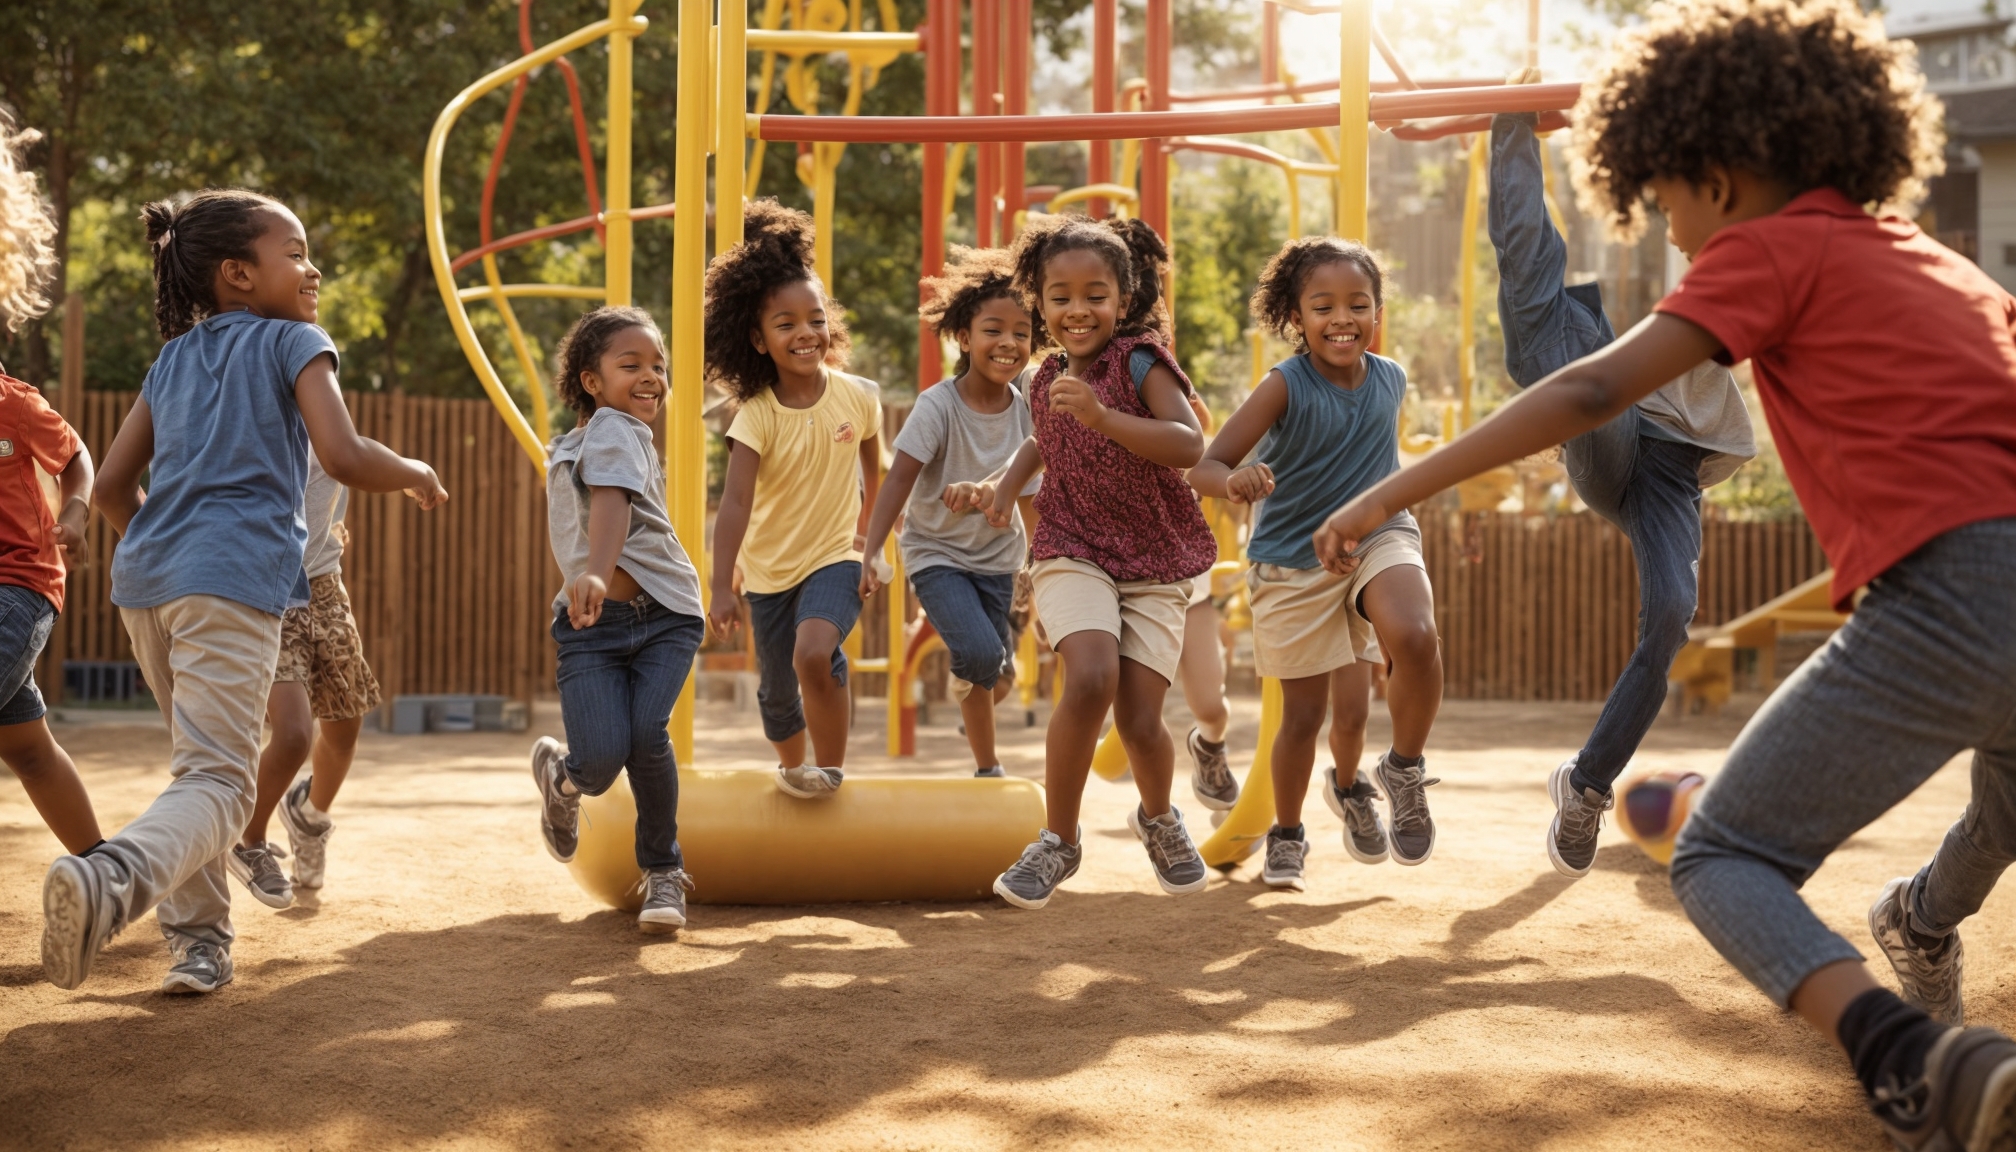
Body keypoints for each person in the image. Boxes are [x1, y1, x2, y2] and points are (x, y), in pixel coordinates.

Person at [1312, 0, 2016, 1143]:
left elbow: (1591, 390)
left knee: (1725, 855)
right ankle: (1924, 922)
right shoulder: (1941, 266)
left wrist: (1391, 489)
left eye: (1667, 197)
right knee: (2001, 809)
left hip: (1948, 590)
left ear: (1723, 174)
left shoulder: (1770, 247)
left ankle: (1911, 1054)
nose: (1670, 231)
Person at [45, 189, 446, 995]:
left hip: (148, 583)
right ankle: (112, 879)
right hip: (231, 584)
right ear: (237, 274)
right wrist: (413, 472)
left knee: (198, 770)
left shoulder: (174, 359)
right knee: (223, 784)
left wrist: (172, 543)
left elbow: (116, 486)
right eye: (294, 252)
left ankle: (199, 941)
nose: (313, 266)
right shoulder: (295, 341)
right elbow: (341, 453)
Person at [1488, 81, 1756, 881]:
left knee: (1673, 614)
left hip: (1669, 465)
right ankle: (1511, 124)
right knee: (1544, 298)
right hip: (1601, 401)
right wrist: (1514, 119)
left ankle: (1587, 782)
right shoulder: (1706, 257)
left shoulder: (1767, 267)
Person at [1190, 237, 1442, 893]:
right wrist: (1235, 480)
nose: (1342, 318)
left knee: (1407, 645)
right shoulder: (1283, 385)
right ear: (1296, 316)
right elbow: (1206, 466)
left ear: (1377, 311)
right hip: (1293, 563)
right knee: (1304, 719)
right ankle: (1289, 834)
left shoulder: (1391, 378)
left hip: (1374, 541)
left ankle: (1396, 772)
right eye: (1322, 305)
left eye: (1358, 304)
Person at [986, 215, 1216, 910]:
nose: (1077, 310)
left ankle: (1159, 817)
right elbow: (1043, 436)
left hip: (1154, 559)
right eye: (1060, 296)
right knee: (1089, 677)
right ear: (1039, 300)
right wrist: (1005, 482)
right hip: (1072, 546)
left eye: (1095, 294)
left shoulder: (1140, 361)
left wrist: (1104, 418)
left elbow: (1189, 445)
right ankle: (1058, 840)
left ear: (1123, 298)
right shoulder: (1046, 375)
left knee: (1141, 721)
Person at [530, 306, 707, 933]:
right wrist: (597, 575)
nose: (652, 375)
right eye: (630, 364)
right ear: (590, 381)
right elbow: (603, 502)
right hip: (594, 629)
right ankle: (565, 776)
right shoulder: (600, 433)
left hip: (664, 615)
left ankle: (663, 871)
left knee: (645, 736)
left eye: (658, 365)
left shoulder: (617, 431)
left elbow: (615, 501)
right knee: (601, 763)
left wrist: (600, 572)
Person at [703, 200, 881, 799]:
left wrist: (870, 540)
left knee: (814, 653)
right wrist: (721, 584)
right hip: (770, 573)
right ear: (758, 339)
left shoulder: (859, 397)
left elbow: (875, 469)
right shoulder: (755, 416)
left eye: (816, 317)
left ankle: (830, 773)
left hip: (836, 557)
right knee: (778, 692)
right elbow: (734, 505)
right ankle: (794, 768)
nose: (805, 332)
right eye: (786, 324)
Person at [859, 246, 1034, 778]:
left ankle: (985, 767)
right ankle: (988, 754)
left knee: (996, 674)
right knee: (981, 659)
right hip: (937, 554)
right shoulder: (939, 405)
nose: (1008, 343)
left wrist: (1038, 561)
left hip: (999, 558)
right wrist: (871, 549)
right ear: (963, 336)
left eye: (1022, 333)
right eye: (993, 330)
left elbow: (1031, 489)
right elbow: (899, 480)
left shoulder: (1028, 405)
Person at [0, 107, 101, 858]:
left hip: (19, 584)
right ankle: (107, 876)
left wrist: (76, 511)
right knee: (29, 749)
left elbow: (76, 455)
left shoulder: (12, 400)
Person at [226, 453, 381, 908]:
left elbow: (346, 457)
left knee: (345, 726)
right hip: (270, 591)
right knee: (293, 734)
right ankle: (247, 840)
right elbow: (349, 453)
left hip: (327, 589)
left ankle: (309, 815)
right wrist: (417, 474)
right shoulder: (258, 419)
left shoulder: (326, 411)